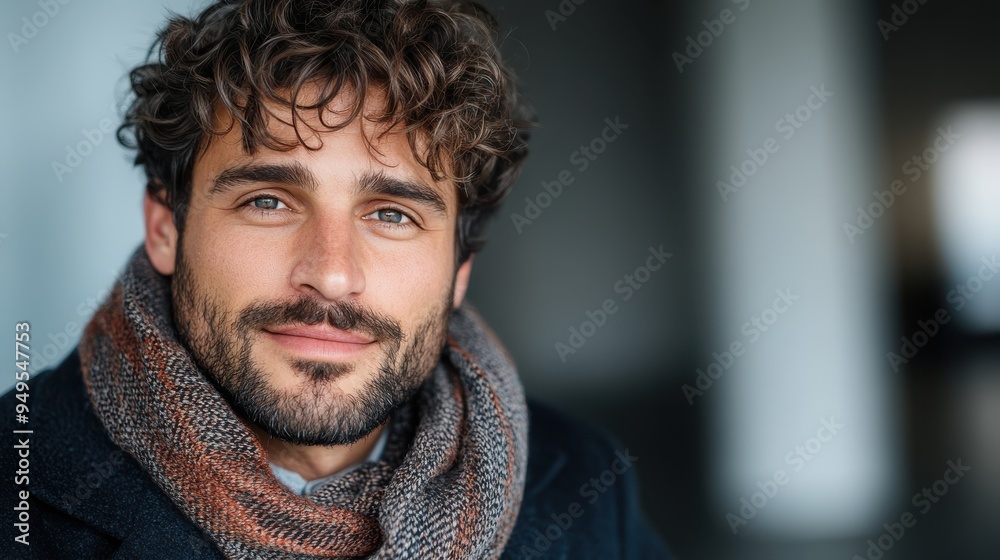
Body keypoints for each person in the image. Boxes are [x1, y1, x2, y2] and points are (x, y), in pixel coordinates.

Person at [1, 0, 670, 558]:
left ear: (460, 269)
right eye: (268, 201)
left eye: (391, 214)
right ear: (165, 228)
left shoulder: (584, 483)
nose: (330, 273)